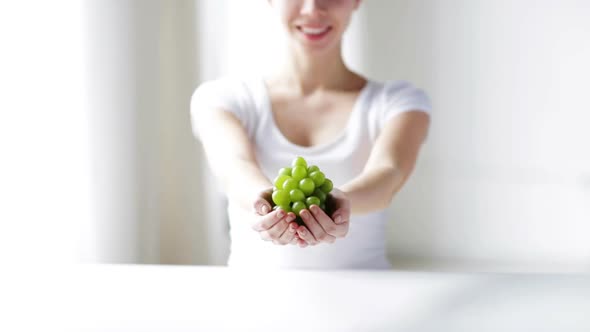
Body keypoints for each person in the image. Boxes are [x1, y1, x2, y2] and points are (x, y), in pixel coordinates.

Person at [190, 0, 431, 269]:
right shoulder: (223, 98)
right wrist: (266, 204)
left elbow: (390, 172)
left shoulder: (398, 102)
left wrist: (342, 203)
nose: (313, 10)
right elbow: (235, 168)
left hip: (365, 300)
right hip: (253, 300)